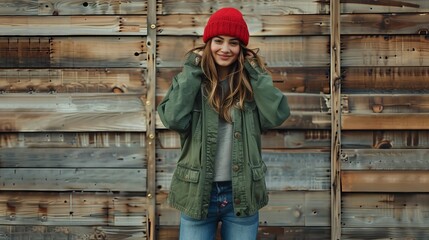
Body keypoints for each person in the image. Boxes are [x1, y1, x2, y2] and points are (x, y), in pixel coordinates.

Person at [157, 7, 290, 240]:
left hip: (242, 190)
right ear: (208, 43)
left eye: (234, 43)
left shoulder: (251, 84)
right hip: (198, 191)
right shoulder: (191, 80)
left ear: (242, 49)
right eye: (218, 41)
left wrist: (255, 72)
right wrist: (191, 71)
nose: (225, 49)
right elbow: (173, 119)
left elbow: (277, 114)